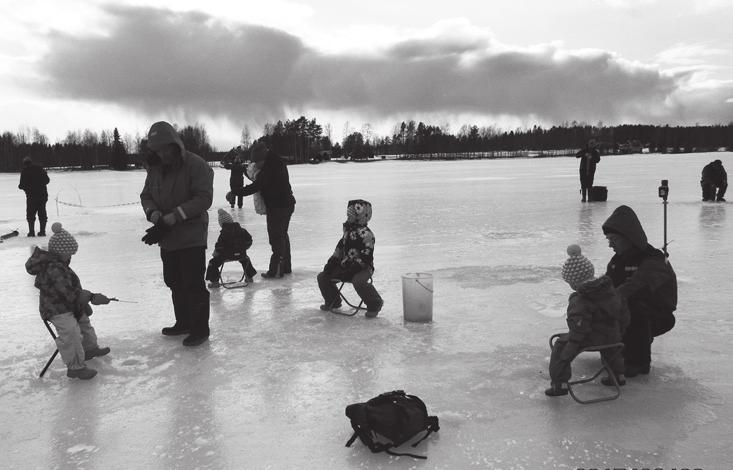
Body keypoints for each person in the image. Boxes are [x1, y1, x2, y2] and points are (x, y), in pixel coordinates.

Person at [140, 121, 214, 347]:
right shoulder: (154, 169)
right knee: (174, 281)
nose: (161, 154)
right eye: (157, 151)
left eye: (165, 149)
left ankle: (200, 329)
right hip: (168, 238)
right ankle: (183, 322)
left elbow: (204, 198)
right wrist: (153, 214)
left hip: (191, 236)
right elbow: (146, 196)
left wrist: (177, 215)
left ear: (175, 145)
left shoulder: (196, 165)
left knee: (192, 283)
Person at [25, 223, 111, 380]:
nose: (71, 257)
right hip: (55, 310)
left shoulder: (60, 264)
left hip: (66, 304)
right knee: (71, 332)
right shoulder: (54, 268)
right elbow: (66, 292)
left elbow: (71, 291)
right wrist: (89, 297)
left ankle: (89, 348)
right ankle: (75, 367)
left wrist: (83, 303)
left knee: (83, 320)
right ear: (60, 253)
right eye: (69, 254)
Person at [602, 205, 677, 377]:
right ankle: (618, 351)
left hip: (657, 314)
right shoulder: (618, 259)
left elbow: (634, 288)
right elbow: (607, 285)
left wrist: (607, 302)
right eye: (608, 239)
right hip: (626, 308)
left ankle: (638, 364)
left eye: (613, 239)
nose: (610, 244)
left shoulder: (654, 260)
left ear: (628, 237)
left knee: (634, 308)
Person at [545, 245, 629, 396]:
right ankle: (618, 376)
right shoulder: (612, 292)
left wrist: (569, 349)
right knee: (610, 347)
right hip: (613, 337)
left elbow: (579, 328)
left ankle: (560, 385)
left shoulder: (581, 300)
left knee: (559, 346)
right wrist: (619, 331)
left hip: (589, 339)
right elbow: (624, 315)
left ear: (575, 282)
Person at [227, 142, 295, 278]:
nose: (256, 165)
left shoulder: (271, 167)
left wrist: (234, 192)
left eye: (257, 162)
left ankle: (276, 270)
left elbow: (256, 186)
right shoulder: (274, 162)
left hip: (278, 206)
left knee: (276, 237)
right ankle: (285, 267)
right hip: (286, 204)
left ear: (262, 158)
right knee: (282, 235)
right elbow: (259, 180)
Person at [317, 199, 383, 318]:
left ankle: (375, 303)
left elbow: (366, 257)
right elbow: (339, 248)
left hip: (364, 268)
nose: (348, 217)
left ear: (361, 216)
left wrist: (353, 269)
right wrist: (331, 263)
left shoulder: (368, 235)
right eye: (347, 215)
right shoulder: (348, 231)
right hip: (346, 265)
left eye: (351, 215)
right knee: (323, 276)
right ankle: (333, 301)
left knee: (358, 281)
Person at [205, 208, 256, 287]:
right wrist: (244, 248)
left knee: (212, 263)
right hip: (241, 254)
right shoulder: (242, 230)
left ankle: (215, 282)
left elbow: (219, 246)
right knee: (245, 259)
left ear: (221, 224)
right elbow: (249, 240)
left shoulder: (224, 234)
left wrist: (216, 253)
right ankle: (249, 277)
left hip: (226, 256)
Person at [18, 156, 50, 237]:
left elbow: (21, 185)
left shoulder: (25, 171)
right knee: (42, 213)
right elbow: (47, 180)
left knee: (30, 215)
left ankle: (31, 233)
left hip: (31, 197)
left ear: (24, 164)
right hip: (42, 195)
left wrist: (26, 187)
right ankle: (42, 232)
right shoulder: (40, 169)